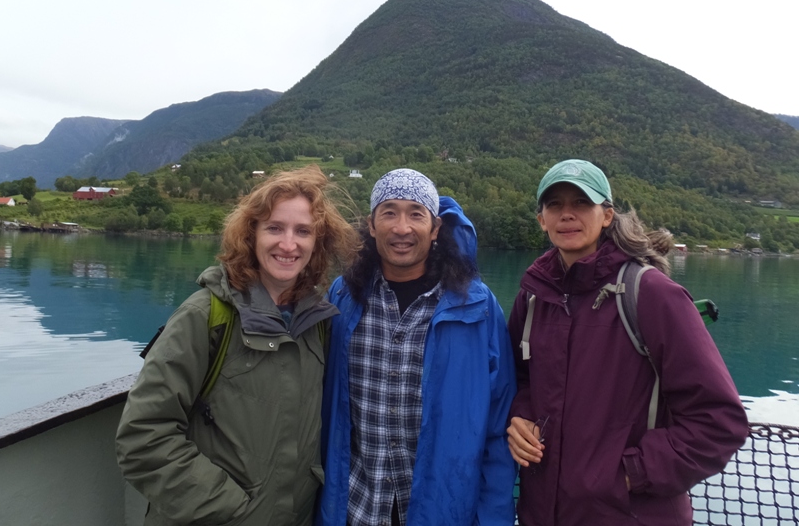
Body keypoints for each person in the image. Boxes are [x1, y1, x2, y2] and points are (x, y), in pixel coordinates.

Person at [506, 159, 749, 526]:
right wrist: (520, 416)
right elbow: (521, 379)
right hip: (542, 513)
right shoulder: (534, 297)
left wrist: (630, 472)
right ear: (541, 220)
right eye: (555, 205)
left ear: (606, 215)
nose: (567, 214)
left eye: (581, 203)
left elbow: (719, 422)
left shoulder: (650, 293)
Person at [116, 165, 360, 526]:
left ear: (317, 242)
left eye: (303, 231)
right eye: (275, 227)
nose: (288, 244)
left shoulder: (317, 324)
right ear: (251, 233)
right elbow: (143, 437)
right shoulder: (205, 316)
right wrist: (231, 510)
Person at [316, 168, 517, 526]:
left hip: (444, 509)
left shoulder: (476, 308)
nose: (402, 227)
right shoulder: (343, 298)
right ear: (372, 225)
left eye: (416, 213)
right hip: (356, 507)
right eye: (389, 211)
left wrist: (495, 517)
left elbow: (498, 424)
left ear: (435, 228)